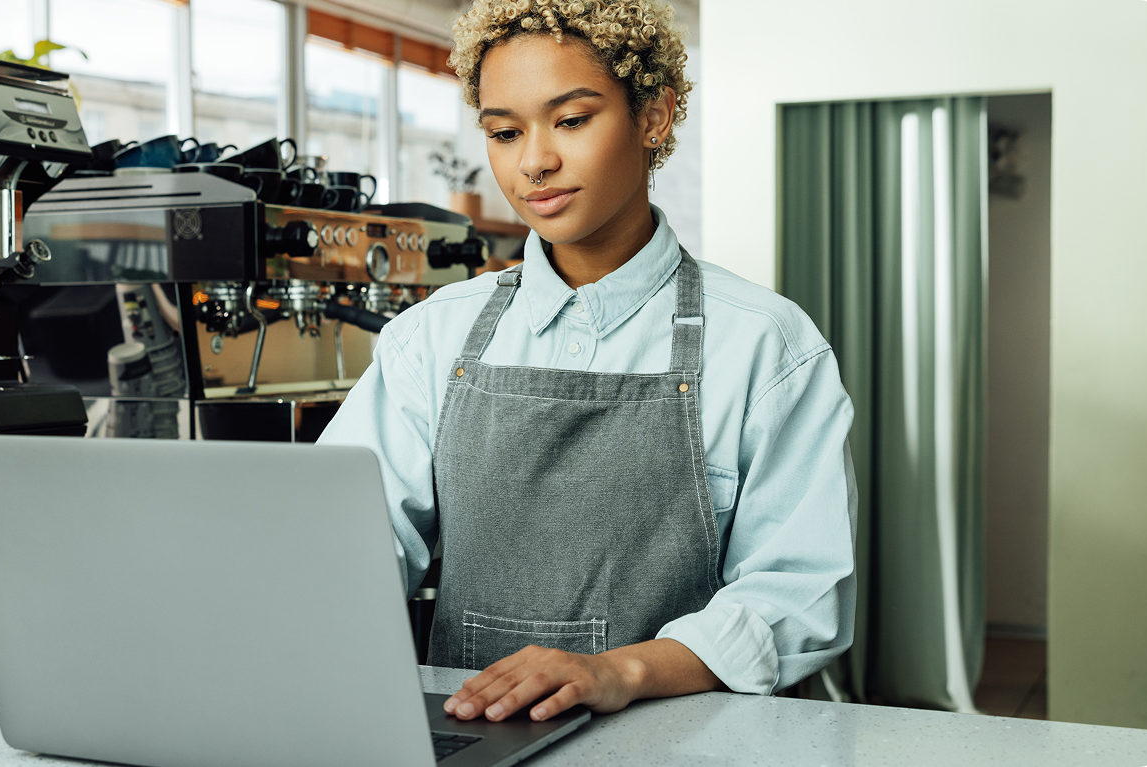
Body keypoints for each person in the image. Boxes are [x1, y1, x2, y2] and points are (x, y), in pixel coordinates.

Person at [317, 0, 857, 724]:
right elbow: (345, 543)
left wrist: (619, 670)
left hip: (690, 738)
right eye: (504, 132)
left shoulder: (766, 345)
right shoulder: (429, 338)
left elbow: (798, 593)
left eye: (570, 120)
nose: (533, 161)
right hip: (476, 732)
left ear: (654, 116)